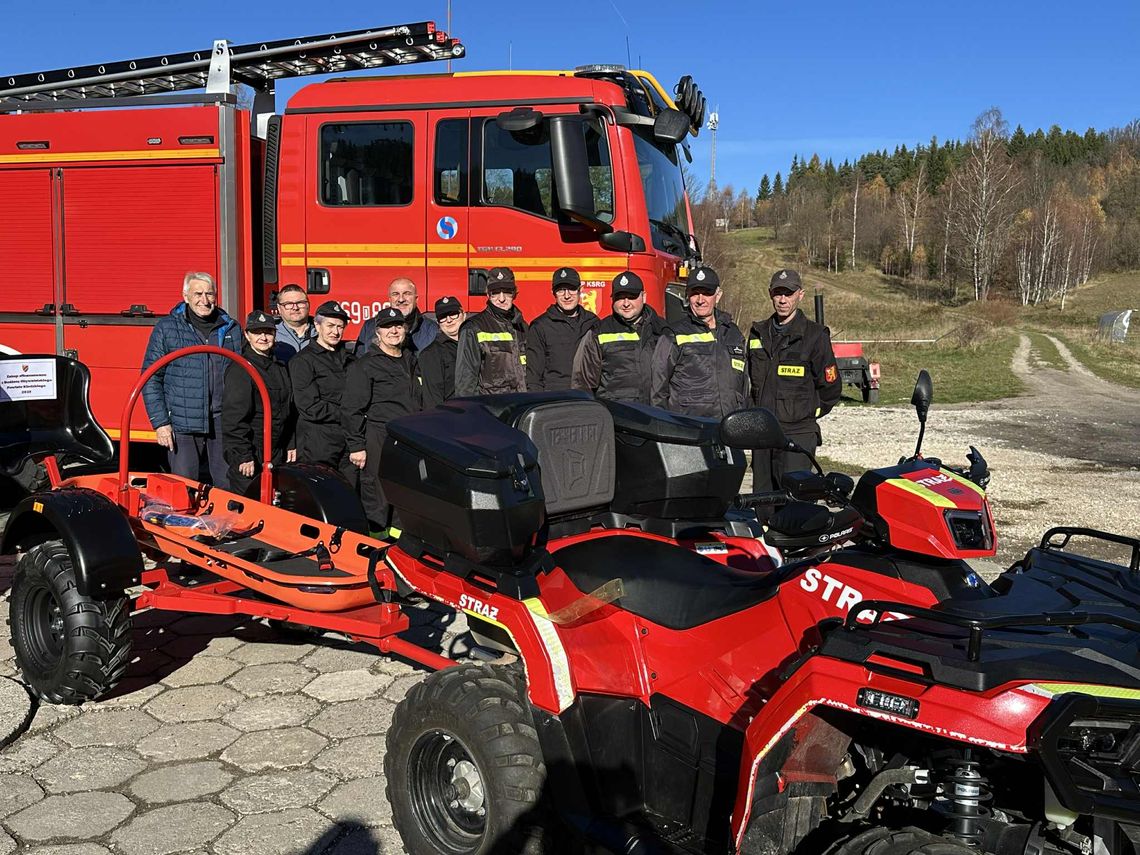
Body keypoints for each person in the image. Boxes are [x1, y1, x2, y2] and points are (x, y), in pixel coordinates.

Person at [142, 272, 242, 487]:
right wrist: (160, 423)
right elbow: (150, 378)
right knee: (184, 486)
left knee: (226, 485)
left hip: (222, 421)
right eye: (198, 293)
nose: (204, 300)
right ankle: (184, 521)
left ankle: (223, 522)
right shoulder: (168, 328)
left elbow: (241, 374)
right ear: (185, 296)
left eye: (209, 294)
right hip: (183, 422)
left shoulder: (231, 328)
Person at [748, 269, 842, 490]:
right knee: (764, 504)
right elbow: (749, 381)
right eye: (778, 293)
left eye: (788, 293)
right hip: (763, 436)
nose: (782, 300)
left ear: (800, 295)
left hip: (797, 437)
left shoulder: (815, 336)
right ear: (770, 294)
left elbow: (831, 388)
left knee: (795, 507)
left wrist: (807, 413)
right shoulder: (757, 334)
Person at [343, 307, 422, 532]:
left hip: (408, 439)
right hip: (379, 437)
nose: (394, 331)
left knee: (403, 491)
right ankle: (373, 546)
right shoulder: (365, 365)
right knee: (377, 494)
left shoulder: (411, 360)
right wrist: (357, 446)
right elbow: (351, 409)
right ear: (377, 332)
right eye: (387, 327)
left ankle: (397, 544)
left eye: (398, 325)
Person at [651, 266, 748, 419]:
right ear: (687, 296)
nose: (700, 300)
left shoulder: (733, 333)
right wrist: (664, 424)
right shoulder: (673, 334)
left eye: (707, 293)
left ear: (718, 295)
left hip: (729, 426)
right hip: (689, 428)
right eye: (695, 293)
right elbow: (658, 388)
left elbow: (743, 386)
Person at [221, 311, 296, 496]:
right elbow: (234, 419)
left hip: (275, 449)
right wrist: (243, 455)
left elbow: (289, 409)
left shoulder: (279, 367)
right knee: (249, 507)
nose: (263, 337)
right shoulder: (241, 368)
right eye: (257, 332)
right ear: (247, 335)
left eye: (268, 332)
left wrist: (290, 443)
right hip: (251, 452)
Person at [571, 271, 667, 404]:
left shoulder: (662, 330)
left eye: (631, 297)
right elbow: (582, 383)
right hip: (616, 416)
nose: (626, 303)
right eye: (620, 297)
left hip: (658, 415)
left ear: (643, 297)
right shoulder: (598, 333)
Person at [289, 301, 357, 485]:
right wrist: (347, 413)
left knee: (349, 493)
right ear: (317, 326)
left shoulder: (351, 359)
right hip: (318, 442)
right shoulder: (303, 361)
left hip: (348, 440)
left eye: (340, 327)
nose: (335, 331)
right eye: (330, 325)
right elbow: (309, 406)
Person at [454, 268, 528, 396]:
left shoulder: (523, 327)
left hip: (521, 407)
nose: (501, 298)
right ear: (487, 295)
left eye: (507, 292)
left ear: (515, 293)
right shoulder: (473, 328)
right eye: (495, 293)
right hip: (492, 409)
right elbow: (465, 384)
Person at [526, 267, 599, 392]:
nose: (567, 295)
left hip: (587, 400)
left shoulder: (593, 322)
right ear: (553, 293)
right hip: (555, 400)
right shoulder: (540, 326)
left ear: (580, 290)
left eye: (571, 289)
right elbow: (534, 377)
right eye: (561, 290)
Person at [356, 277, 439, 356]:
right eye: (395, 294)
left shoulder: (432, 330)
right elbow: (357, 363)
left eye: (407, 294)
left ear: (416, 299)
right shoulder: (370, 326)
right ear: (390, 299)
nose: (401, 299)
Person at [417, 295, 465, 409]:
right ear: (438, 322)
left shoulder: (476, 345)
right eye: (443, 317)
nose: (449, 320)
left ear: (463, 314)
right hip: (451, 419)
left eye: (453, 314)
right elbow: (432, 400)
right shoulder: (431, 354)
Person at [273, 284, 316, 363]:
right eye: (288, 304)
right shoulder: (271, 334)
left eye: (300, 303)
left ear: (308, 305)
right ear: (279, 308)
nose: (295, 308)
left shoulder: (322, 332)